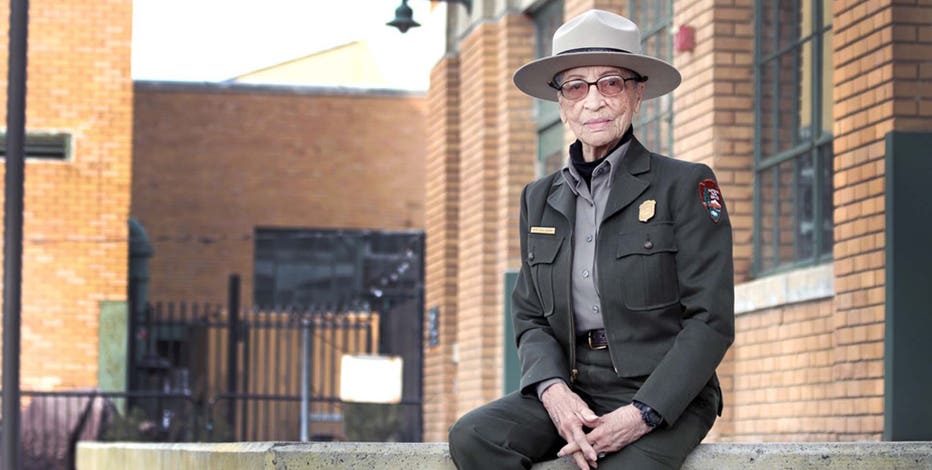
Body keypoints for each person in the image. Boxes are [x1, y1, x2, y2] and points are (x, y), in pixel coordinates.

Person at [447, 9, 735, 470]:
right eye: (576, 86)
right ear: (561, 102)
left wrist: (642, 414)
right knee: (475, 436)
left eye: (611, 83)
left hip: (664, 394)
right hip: (575, 387)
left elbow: (711, 320)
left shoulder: (685, 185)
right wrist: (553, 390)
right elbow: (530, 315)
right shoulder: (538, 197)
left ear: (638, 93)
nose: (593, 102)